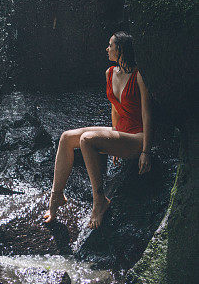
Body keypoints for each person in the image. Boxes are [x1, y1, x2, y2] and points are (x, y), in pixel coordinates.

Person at [43, 31, 152, 229]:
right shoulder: (110, 73)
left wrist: (146, 151)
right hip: (121, 131)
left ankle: (100, 200)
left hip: (138, 135)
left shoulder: (139, 76)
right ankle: (56, 196)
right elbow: (115, 109)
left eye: (110, 45)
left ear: (120, 50)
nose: (107, 49)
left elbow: (147, 115)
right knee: (66, 137)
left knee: (87, 139)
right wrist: (113, 140)